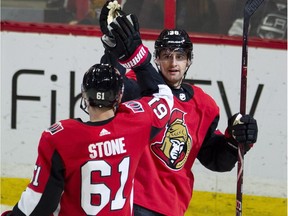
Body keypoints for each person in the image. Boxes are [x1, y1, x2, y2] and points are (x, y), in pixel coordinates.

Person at [99, 2, 258, 215]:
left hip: (171, 207)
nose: (173, 63)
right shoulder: (134, 86)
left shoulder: (204, 105)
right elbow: (106, 90)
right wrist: (112, 50)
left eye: (180, 56)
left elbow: (215, 160)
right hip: (130, 202)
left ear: (189, 60)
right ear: (156, 59)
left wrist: (235, 140)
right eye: (166, 56)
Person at [1, 59, 173, 214]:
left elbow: (40, 203)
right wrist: (138, 57)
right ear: (120, 95)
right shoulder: (137, 124)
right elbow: (164, 97)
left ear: (84, 95)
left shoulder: (60, 137)